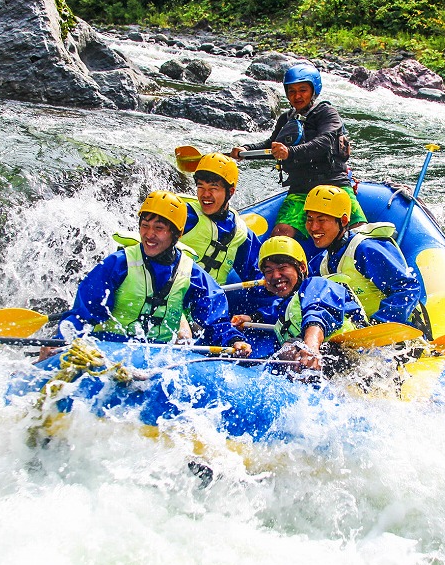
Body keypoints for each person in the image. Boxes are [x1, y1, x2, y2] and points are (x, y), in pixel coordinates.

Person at [55, 190, 251, 355]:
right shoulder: (118, 264)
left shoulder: (191, 273)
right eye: (145, 226)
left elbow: (215, 318)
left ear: (177, 234)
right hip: (110, 349)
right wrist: (61, 342)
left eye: (159, 228)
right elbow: (84, 314)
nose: (149, 235)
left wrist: (234, 339)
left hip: (161, 356)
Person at [231, 63, 366, 240]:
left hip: (334, 184)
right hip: (301, 188)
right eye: (292, 91)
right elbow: (272, 145)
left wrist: (290, 152)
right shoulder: (286, 118)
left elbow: (325, 141)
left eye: (302, 90)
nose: (297, 96)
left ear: (313, 90)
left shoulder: (327, 113)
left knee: (360, 231)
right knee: (281, 233)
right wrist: (246, 150)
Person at [232, 236, 364, 373]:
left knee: (289, 349)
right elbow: (278, 311)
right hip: (323, 362)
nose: (275, 276)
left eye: (282, 267)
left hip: (347, 355)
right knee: (285, 353)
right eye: (269, 271)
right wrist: (252, 318)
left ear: (301, 268)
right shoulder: (286, 305)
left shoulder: (317, 285)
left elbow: (318, 311)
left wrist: (311, 346)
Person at [304, 185, 425, 330]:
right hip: (361, 333)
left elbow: (408, 288)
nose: (313, 227)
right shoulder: (322, 261)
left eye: (321, 220)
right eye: (309, 220)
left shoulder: (365, 250)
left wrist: (378, 325)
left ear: (343, 221)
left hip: (401, 331)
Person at [179, 152, 261, 286]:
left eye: (213, 188)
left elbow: (257, 274)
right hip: (173, 296)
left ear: (231, 191)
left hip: (211, 302)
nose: (205, 195)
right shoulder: (183, 214)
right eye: (201, 187)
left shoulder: (240, 233)